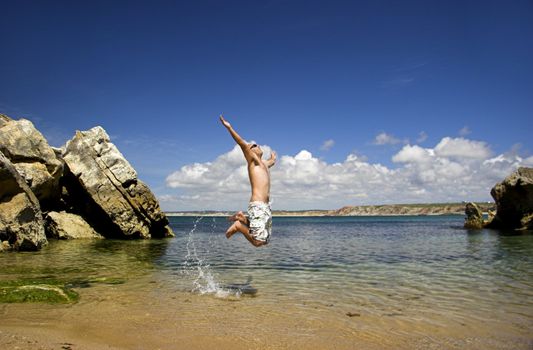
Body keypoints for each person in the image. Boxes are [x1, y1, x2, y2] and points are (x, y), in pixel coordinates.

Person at [219, 114, 276, 247]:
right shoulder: (253, 160)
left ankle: (242, 218)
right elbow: (241, 143)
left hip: (266, 207)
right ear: (250, 151)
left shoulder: (264, 164)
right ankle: (238, 225)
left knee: (265, 241)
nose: (258, 145)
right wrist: (229, 127)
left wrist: (273, 158)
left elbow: (272, 162)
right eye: (254, 145)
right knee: (258, 242)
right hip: (257, 204)